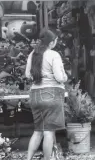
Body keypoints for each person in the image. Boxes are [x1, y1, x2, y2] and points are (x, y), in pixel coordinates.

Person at [25, 29, 68, 160]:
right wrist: (65, 76)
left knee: (38, 131)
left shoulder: (33, 54)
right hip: (51, 94)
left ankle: (28, 159)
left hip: (35, 94)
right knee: (49, 132)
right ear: (51, 42)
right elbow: (60, 77)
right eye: (55, 41)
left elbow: (28, 75)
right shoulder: (54, 55)